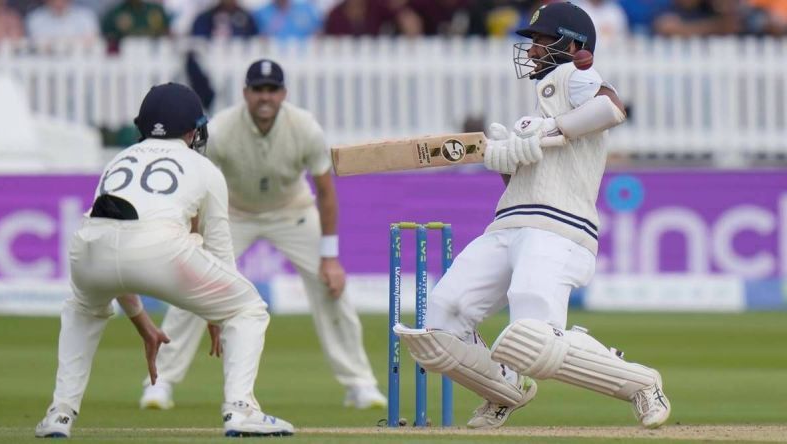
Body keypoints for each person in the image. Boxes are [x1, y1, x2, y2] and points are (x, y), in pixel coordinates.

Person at [394, 1, 670, 430]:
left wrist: (549, 130)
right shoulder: (542, 102)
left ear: (574, 45)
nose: (534, 49)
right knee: (438, 326)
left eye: (542, 40)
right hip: (508, 224)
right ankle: (505, 389)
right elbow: (528, 182)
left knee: (531, 338)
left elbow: (613, 107)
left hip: (559, 229)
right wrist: (509, 160)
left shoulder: (573, 74)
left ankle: (641, 383)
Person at [34, 82, 294, 438]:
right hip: (160, 248)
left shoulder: (119, 159)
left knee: (82, 310)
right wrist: (217, 311)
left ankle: (59, 414)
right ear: (192, 130)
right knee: (248, 308)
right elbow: (219, 248)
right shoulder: (204, 169)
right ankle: (240, 409)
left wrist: (143, 323)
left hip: (89, 246)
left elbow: (115, 245)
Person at [139, 59, 387, 411]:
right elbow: (197, 189)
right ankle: (161, 383)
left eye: (272, 90)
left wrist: (330, 258)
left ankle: (360, 384)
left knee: (332, 289)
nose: (265, 97)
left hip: (293, 212)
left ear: (283, 93)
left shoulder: (304, 127)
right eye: (258, 90)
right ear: (246, 93)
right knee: (193, 287)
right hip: (234, 213)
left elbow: (326, 192)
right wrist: (193, 243)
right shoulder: (222, 129)